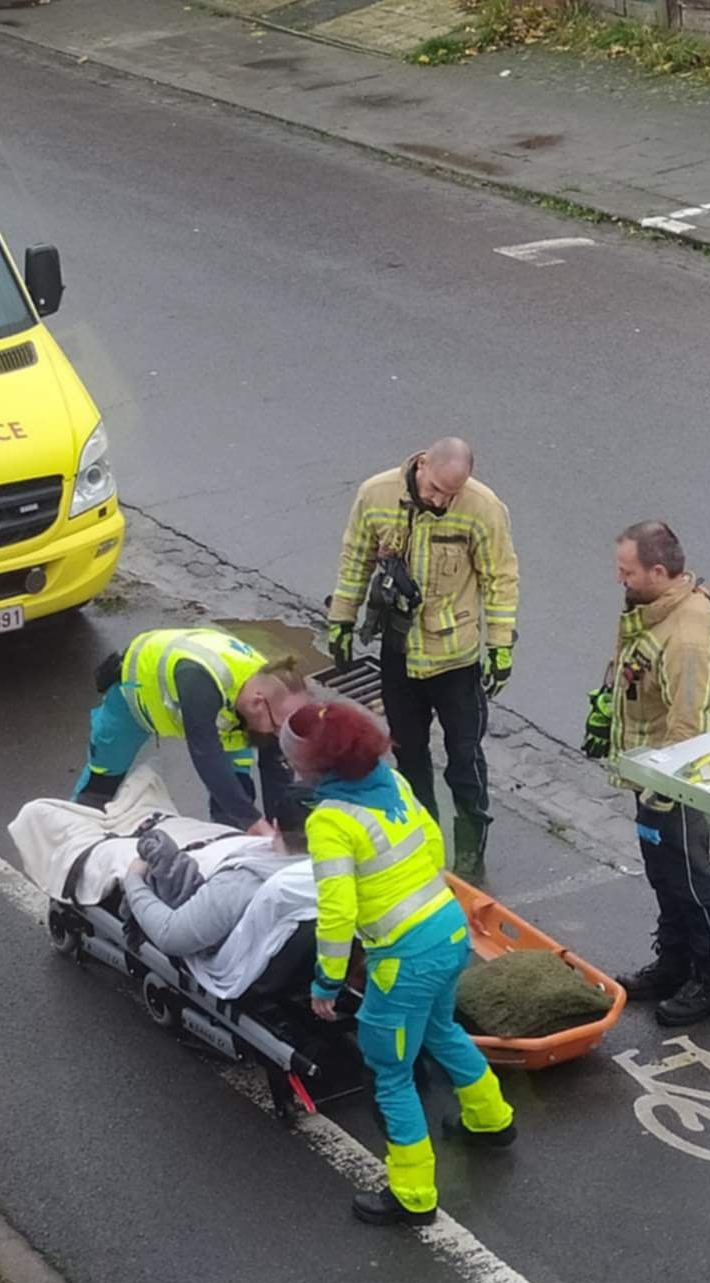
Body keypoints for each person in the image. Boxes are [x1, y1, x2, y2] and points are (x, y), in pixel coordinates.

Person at [281, 699, 516, 1228]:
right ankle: (491, 1118)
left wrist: (327, 980)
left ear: (317, 764)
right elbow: (432, 848)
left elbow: (337, 911)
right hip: (449, 931)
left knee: (390, 1072)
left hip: (402, 960)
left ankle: (412, 1194)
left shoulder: (332, 821)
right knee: (441, 1030)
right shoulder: (394, 784)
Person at [326, 438, 519, 885]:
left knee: (464, 759)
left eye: (450, 495)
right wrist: (341, 619)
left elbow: (500, 577)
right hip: (400, 652)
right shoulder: (376, 496)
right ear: (422, 463)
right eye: (434, 490)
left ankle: (470, 852)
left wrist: (501, 644)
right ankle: (423, 841)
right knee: (408, 754)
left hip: (457, 661)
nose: (440, 501)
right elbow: (355, 559)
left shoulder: (482, 507)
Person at [583, 521, 710, 1025]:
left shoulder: (684, 636)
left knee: (690, 879)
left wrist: (661, 795)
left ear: (660, 571)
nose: (620, 580)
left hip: (678, 783)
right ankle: (674, 964)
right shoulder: (654, 611)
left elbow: (687, 727)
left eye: (627, 572)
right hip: (654, 776)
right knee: (664, 875)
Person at [74, 627, 308, 833]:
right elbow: (205, 756)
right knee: (99, 789)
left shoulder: (270, 694)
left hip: (226, 713)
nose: (279, 736)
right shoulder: (200, 684)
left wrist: (282, 830)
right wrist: (253, 821)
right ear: (257, 704)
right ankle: (69, 839)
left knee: (238, 795)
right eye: (278, 729)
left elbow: (275, 768)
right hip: (135, 698)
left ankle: (228, 857)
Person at [122, 788, 314, 958]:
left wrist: (134, 881)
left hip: (194, 857)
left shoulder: (239, 885)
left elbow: (170, 935)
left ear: (276, 826)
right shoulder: (337, 874)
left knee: (139, 788)